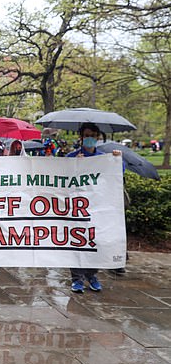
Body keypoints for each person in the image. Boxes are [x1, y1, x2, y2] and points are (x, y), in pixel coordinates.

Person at [67, 122, 122, 294]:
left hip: (97, 208)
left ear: (98, 137)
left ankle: (92, 276)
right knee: (76, 242)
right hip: (77, 208)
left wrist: (116, 159)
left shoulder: (104, 157)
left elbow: (117, 174)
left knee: (94, 241)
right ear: (81, 137)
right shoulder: (71, 157)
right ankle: (76, 279)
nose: (89, 138)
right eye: (86, 135)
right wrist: (75, 165)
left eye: (93, 135)